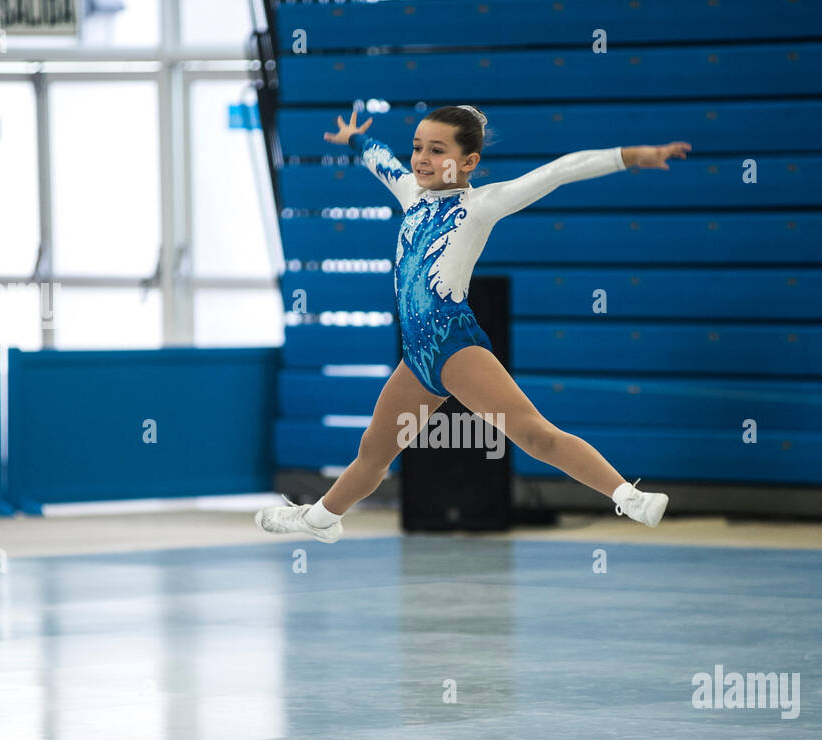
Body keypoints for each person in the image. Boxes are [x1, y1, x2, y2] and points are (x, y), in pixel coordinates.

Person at [257, 105, 690, 543]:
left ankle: (626, 494)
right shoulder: (411, 192)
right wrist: (355, 138)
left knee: (534, 435)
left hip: (454, 344)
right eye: (418, 147)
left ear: (469, 162)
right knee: (373, 451)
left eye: (437, 150)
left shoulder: (481, 204)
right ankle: (323, 518)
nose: (422, 158)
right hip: (418, 358)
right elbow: (381, 158)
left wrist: (633, 155)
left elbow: (558, 171)